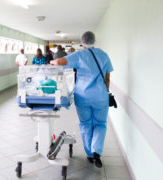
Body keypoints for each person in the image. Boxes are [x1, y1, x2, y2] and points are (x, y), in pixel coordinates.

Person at [50, 31, 113, 168]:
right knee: (100, 124)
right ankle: (97, 152)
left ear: (82, 41)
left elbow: (59, 62)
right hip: (101, 97)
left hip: (83, 96)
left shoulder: (79, 55)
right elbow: (107, 78)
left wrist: (52, 60)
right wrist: (105, 92)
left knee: (85, 124)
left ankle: (90, 155)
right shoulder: (104, 55)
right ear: (94, 41)